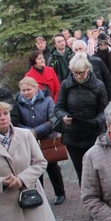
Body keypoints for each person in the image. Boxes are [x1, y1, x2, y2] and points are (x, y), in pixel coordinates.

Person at [54, 55, 109, 190]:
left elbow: (104, 110)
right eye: (75, 73)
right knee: (82, 174)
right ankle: (89, 202)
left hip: (93, 133)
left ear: (88, 69)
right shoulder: (66, 85)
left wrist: (97, 121)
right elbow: (58, 107)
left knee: (98, 171)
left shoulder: (98, 85)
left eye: (81, 73)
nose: (78, 76)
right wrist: (64, 116)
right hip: (73, 135)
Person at [11, 77, 67, 205]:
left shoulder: (47, 100)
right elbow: (17, 123)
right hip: (29, 142)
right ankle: (39, 194)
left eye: (28, 89)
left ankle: (60, 193)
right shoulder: (17, 104)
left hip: (47, 139)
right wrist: (28, 132)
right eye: (23, 90)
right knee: (35, 170)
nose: (25, 92)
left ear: (36, 88)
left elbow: (53, 120)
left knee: (52, 167)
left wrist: (35, 131)